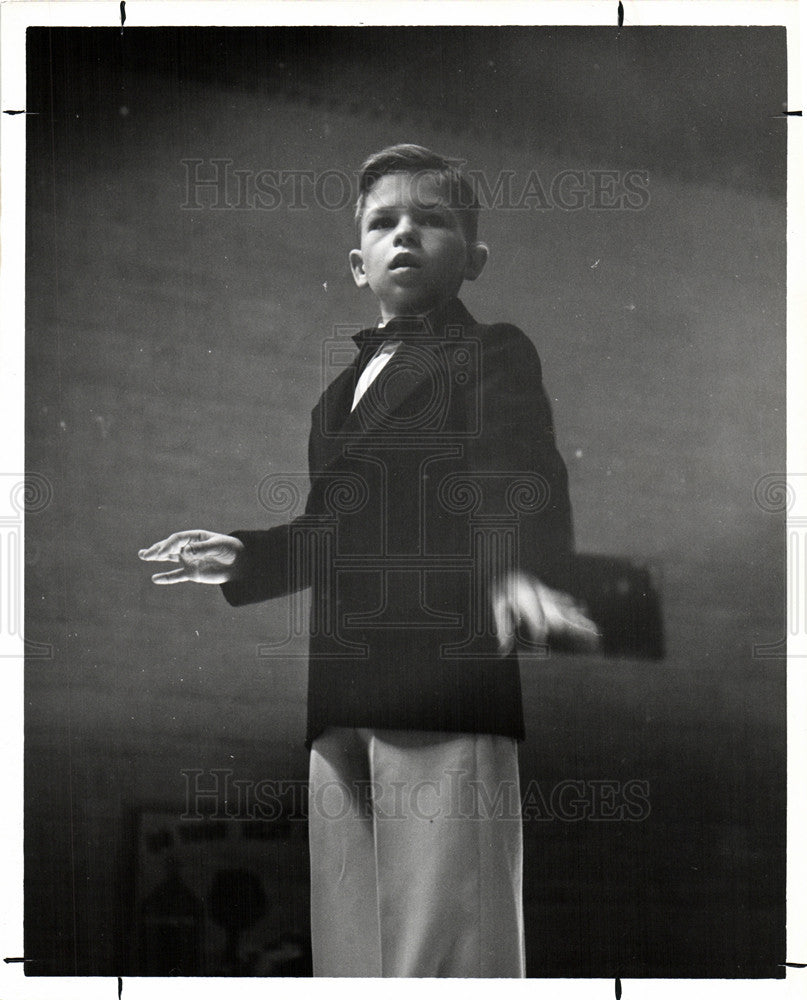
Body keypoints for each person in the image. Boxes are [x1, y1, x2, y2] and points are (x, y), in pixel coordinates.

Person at [139, 143, 599, 977]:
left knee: (449, 941)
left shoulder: (493, 350)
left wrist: (531, 568)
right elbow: (335, 529)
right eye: (384, 222)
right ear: (357, 263)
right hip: (341, 686)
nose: (405, 236)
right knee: (351, 951)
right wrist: (244, 555)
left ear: (476, 257)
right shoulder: (335, 395)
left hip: (444, 673)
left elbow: (524, 472)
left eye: (432, 221)